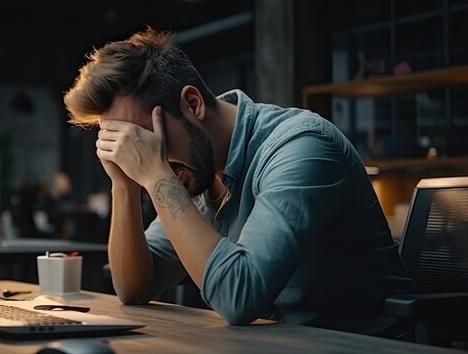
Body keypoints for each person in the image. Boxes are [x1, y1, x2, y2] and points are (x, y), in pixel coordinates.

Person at [63, 28, 416, 338]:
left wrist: (155, 175)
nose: (144, 153)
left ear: (192, 103)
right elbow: (134, 287)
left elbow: (239, 296)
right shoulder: (197, 168)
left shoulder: (302, 146)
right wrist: (123, 183)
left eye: (146, 138)